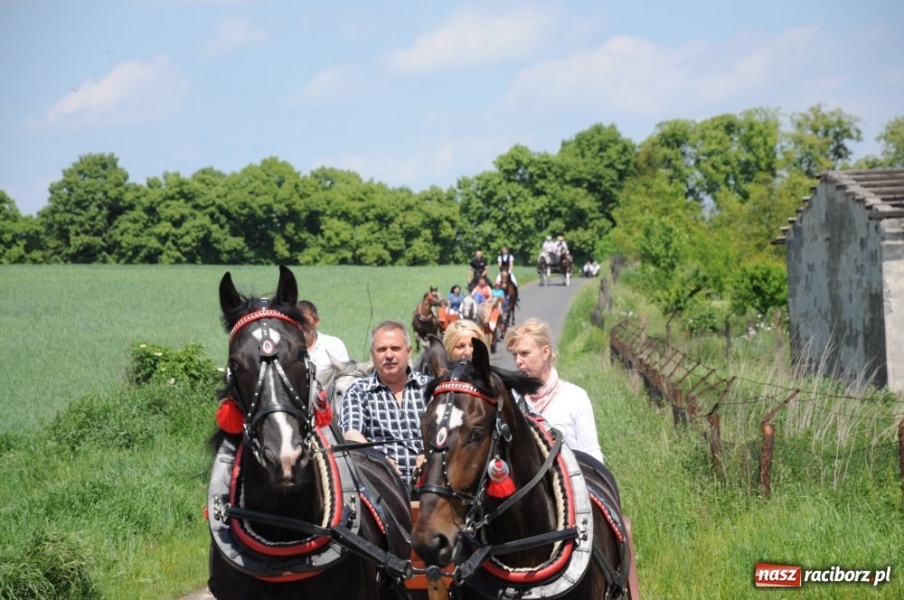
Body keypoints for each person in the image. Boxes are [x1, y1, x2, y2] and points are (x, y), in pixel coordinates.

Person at [339, 321, 430, 483]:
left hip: (430, 485)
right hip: (379, 486)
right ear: (372, 355)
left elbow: (449, 434)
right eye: (381, 350)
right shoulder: (358, 392)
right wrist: (379, 460)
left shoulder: (429, 388)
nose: (388, 355)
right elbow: (351, 434)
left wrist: (429, 454)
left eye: (395, 348)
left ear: (409, 352)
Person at [505, 318, 604, 463]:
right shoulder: (510, 398)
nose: (518, 361)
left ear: (545, 353)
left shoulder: (575, 397)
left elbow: (591, 454)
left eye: (525, 353)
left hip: (569, 483)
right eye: (515, 355)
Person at [298, 300, 350, 388]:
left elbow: (347, 379)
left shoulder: (334, 345)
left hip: (325, 400)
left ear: (316, 322)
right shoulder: (285, 347)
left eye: (305, 320)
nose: (301, 325)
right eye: (297, 321)